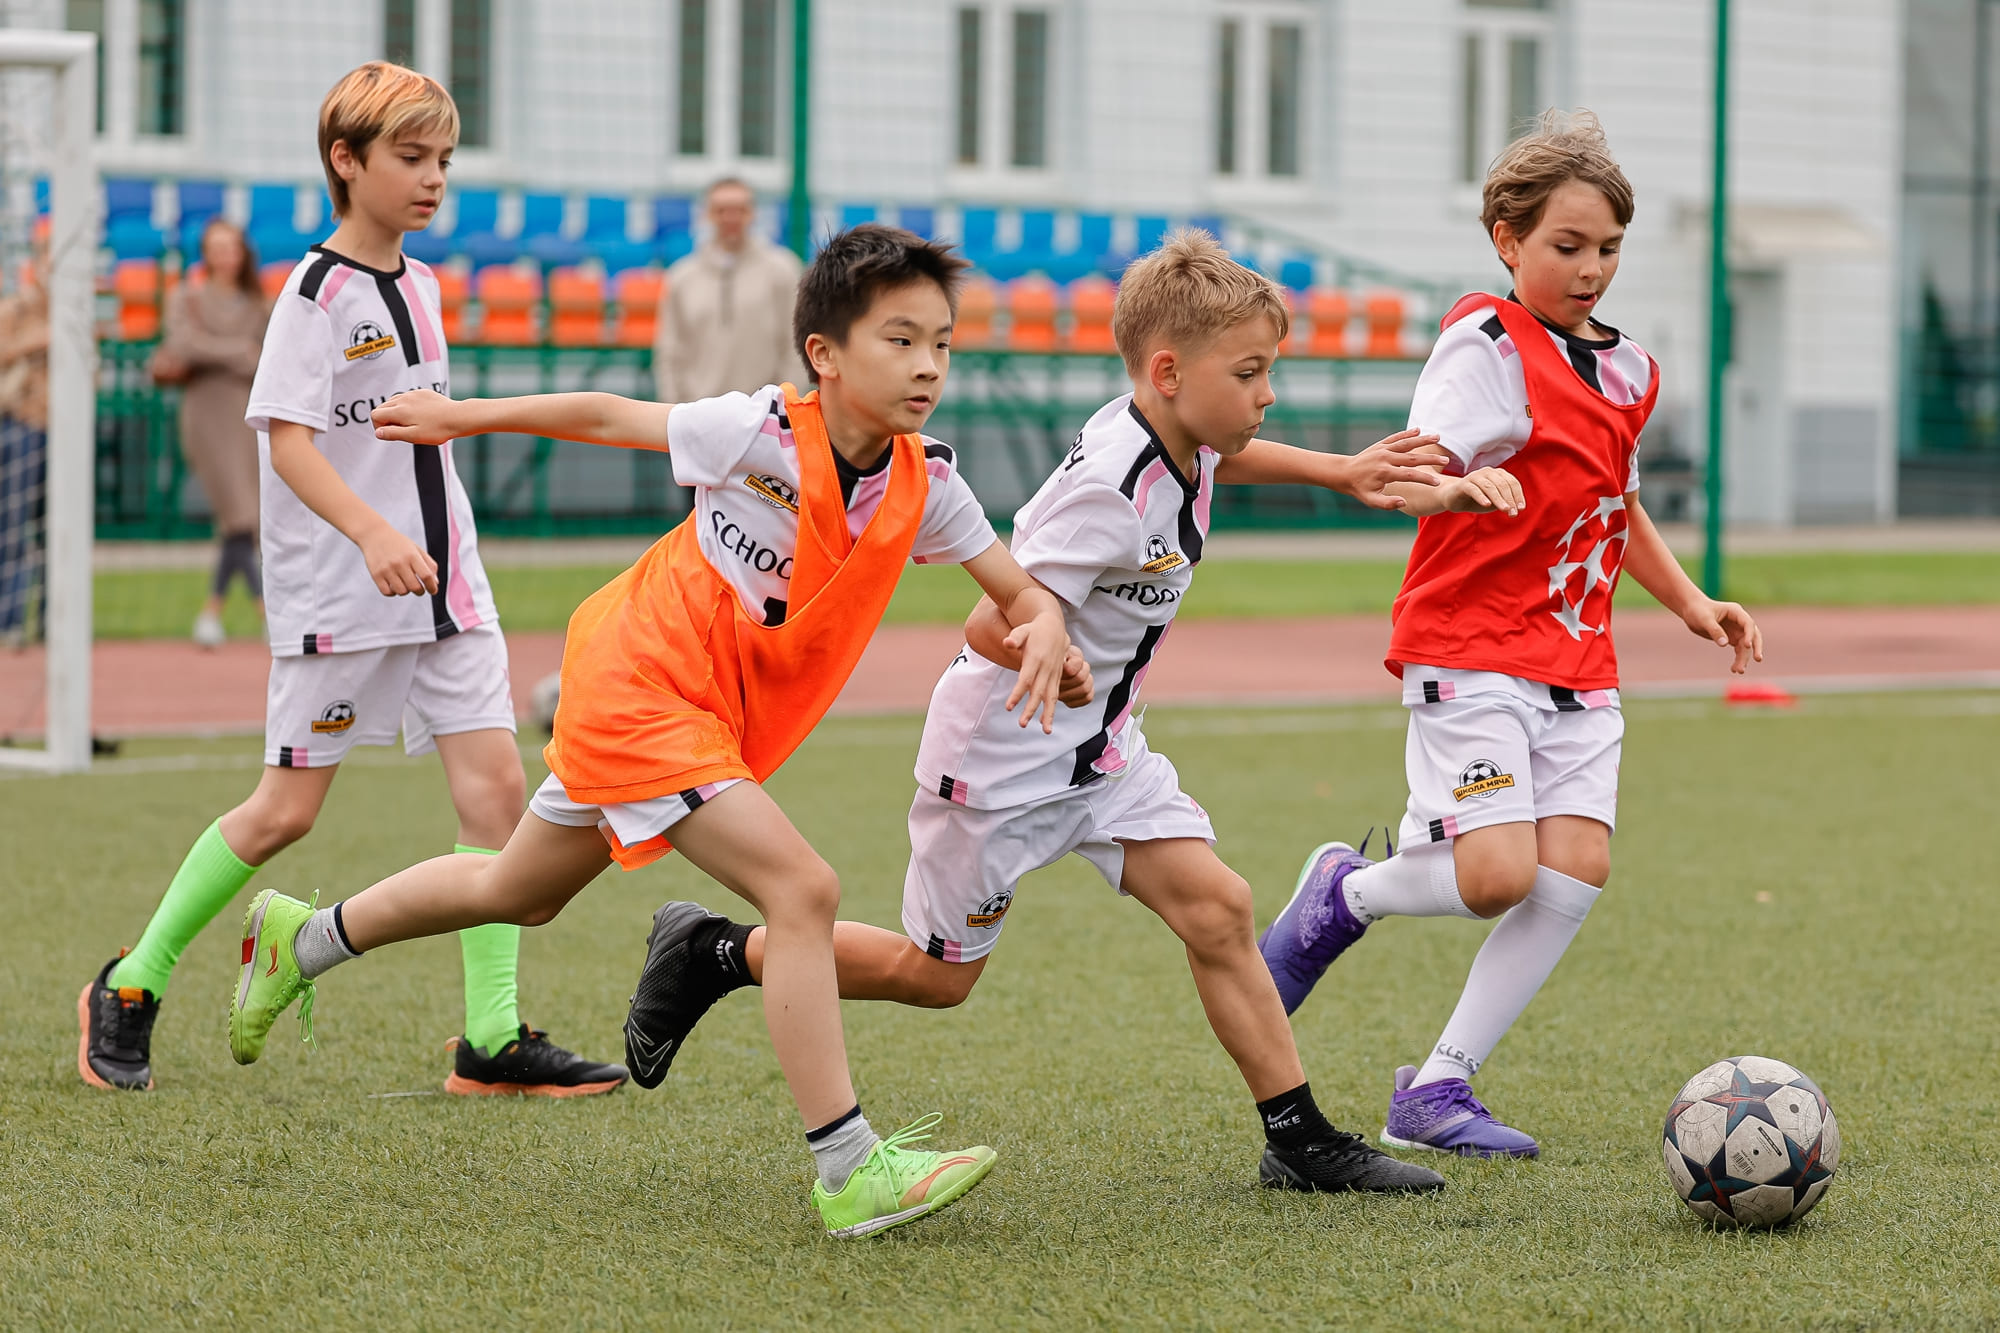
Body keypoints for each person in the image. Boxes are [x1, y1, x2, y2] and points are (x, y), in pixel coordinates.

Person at [225, 224, 1076, 1239]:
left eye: (941, 342)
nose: (928, 364)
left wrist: (1049, 627)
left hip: (699, 715)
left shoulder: (925, 482)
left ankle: (298, 941)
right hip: (640, 686)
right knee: (800, 888)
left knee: (515, 891)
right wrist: (464, 415)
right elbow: (600, 410)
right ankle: (847, 1166)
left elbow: (1018, 589)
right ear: (824, 353)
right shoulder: (753, 430)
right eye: (899, 340)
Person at [619, 230, 1455, 1197]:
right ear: (1171, 371)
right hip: (1002, 761)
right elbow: (989, 621)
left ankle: (1299, 1138)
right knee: (937, 976)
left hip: (1101, 754)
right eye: (1253, 371)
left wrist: (1342, 471)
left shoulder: (1179, 431)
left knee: (1218, 909)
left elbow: (1232, 454)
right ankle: (716, 952)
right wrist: (1046, 643)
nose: (1268, 392)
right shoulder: (1110, 485)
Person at [77, 61, 626, 1099]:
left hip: (447, 585)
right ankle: (132, 983)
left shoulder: (419, 283)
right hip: (345, 589)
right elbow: (287, 445)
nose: (433, 181)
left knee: (497, 792)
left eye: (444, 162)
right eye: (411, 158)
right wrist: (373, 535)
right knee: (286, 811)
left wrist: (426, 546)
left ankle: (490, 1040)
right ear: (346, 159)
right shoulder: (313, 295)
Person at [1258, 111, 1763, 1159]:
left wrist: (1689, 602)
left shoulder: (1629, 372)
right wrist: (1457, 485)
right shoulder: (1483, 342)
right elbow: (1404, 475)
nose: (1588, 269)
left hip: (1576, 660)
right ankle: (1343, 892)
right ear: (1506, 239)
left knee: (1571, 870)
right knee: (1492, 872)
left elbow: (1612, 510)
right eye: (1563, 247)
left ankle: (1436, 1088)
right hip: (1470, 644)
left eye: (1606, 249)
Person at [156, 218, 271, 647]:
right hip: (206, 416)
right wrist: (240, 353)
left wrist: (229, 354)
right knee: (239, 515)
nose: (225, 254)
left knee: (239, 521)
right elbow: (182, 345)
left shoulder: (258, 303)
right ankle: (267, 611)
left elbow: (271, 356)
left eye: (231, 245)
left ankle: (212, 613)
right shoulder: (186, 297)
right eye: (216, 246)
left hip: (246, 416)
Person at [654, 177, 806, 402]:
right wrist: (673, 410)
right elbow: (670, 351)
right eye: (721, 210)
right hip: (698, 415)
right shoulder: (681, 278)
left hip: (764, 418)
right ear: (707, 214)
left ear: (753, 213)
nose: (731, 218)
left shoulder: (783, 271)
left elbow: (796, 346)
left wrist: (783, 406)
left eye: (740, 210)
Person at [0, 218, 48, 649]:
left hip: (66, 432)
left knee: (57, 532)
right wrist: (40, 340)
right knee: (14, 528)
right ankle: (9, 620)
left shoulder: (75, 313)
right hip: (23, 425)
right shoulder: (18, 308)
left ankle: (54, 623)